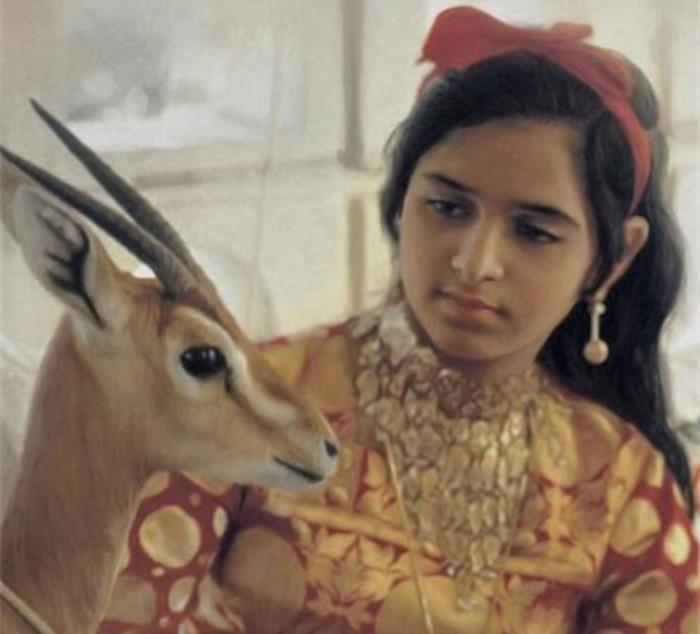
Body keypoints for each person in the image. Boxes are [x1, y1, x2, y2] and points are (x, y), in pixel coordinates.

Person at [98, 6, 699, 634]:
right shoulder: (238, 399)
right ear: (400, 201)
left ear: (611, 259)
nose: (475, 262)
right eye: (447, 207)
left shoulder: (623, 483)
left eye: (534, 232)